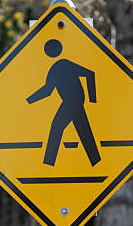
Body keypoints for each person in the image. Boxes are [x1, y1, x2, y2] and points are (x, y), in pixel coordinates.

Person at [27, 38, 101, 167]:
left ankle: (48, 163)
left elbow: (90, 74)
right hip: (73, 102)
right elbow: (47, 91)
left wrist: (92, 99)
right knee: (83, 130)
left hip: (72, 102)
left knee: (57, 127)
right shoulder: (55, 68)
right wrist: (29, 101)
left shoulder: (62, 64)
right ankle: (96, 162)